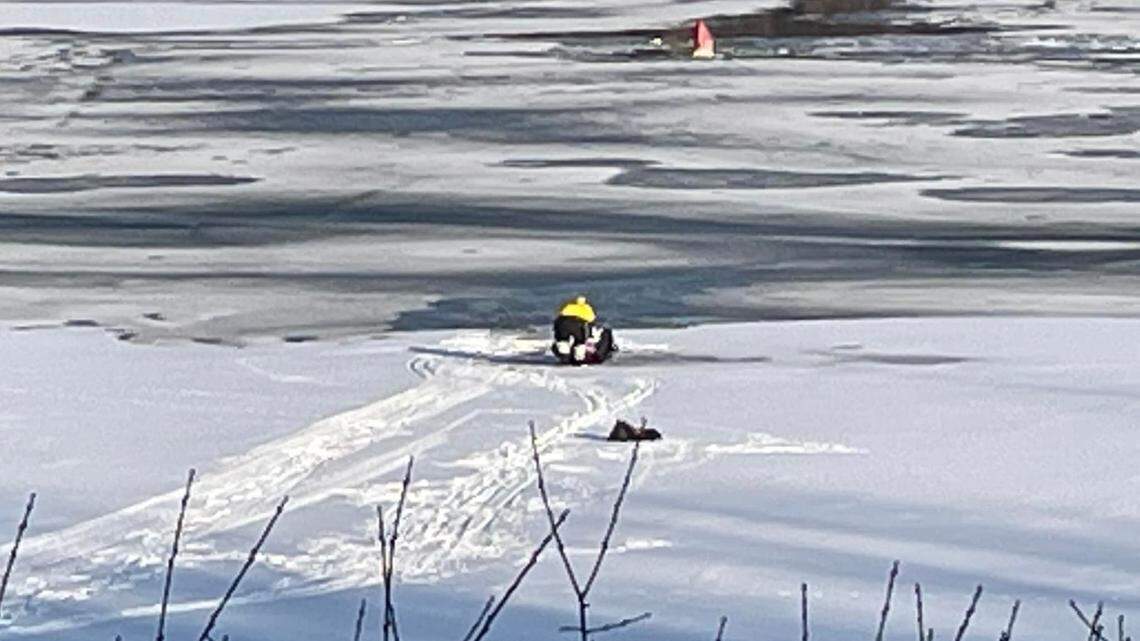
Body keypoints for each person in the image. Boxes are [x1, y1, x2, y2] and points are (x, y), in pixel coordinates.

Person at [551, 295, 616, 365]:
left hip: (561, 322)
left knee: (563, 340)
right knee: (580, 341)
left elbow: (560, 315)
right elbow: (590, 322)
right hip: (579, 323)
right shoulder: (587, 308)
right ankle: (579, 355)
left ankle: (565, 353)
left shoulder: (569, 306)